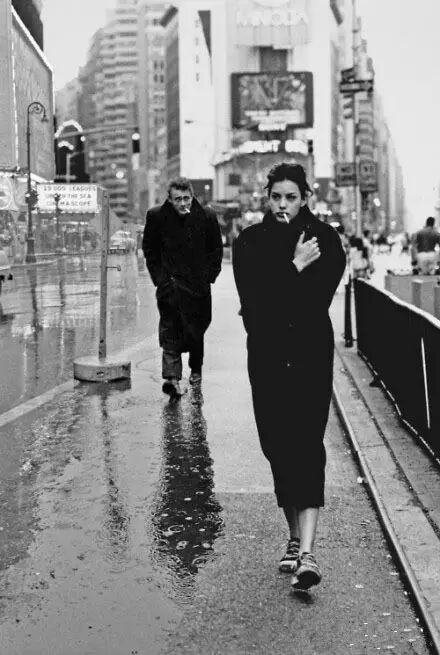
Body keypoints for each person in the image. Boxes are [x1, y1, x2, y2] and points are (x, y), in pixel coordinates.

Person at [232, 162, 345, 592]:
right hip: (266, 355)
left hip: (310, 353)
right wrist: (293, 266)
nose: (283, 205)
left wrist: (279, 284)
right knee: (277, 446)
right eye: (276, 197)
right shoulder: (249, 241)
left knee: (307, 444)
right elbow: (252, 307)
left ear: (305, 198)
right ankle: (294, 538)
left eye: (291, 197)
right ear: (267, 197)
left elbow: (314, 302)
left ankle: (308, 553)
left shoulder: (326, 240)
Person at [142, 177, 223, 398]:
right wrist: (160, 279)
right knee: (170, 330)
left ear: (192, 197)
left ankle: (196, 369)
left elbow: (216, 249)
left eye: (186, 198)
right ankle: (172, 378)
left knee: (196, 330)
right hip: (170, 286)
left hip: (197, 288)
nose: (183, 203)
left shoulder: (207, 216)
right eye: (177, 199)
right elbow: (150, 249)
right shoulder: (157, 216)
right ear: (169, 199)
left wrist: (209, 276)